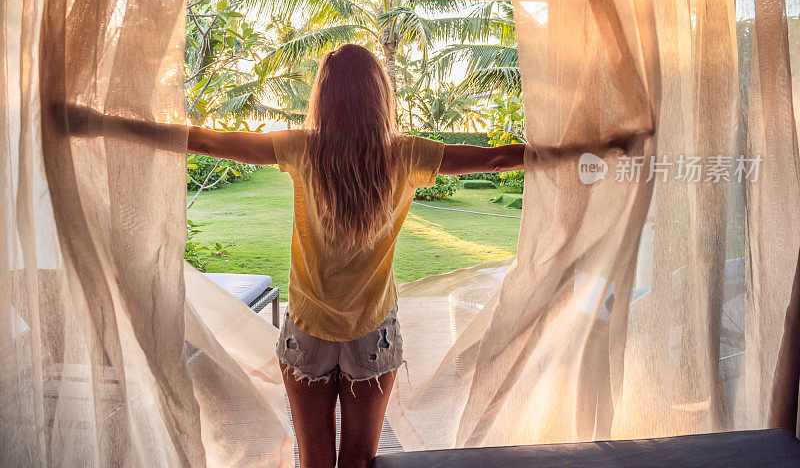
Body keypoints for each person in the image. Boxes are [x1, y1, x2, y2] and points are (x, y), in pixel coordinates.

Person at [60, 44, 641, 468]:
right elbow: (501, 159)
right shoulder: (407, 154)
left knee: (316, 463)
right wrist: (595, 148)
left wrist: (99, 123)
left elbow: (206, 138)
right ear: (379, 100)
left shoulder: (300, 150)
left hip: (309, 331)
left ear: (324, 99)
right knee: (359, 462)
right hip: (372, 335)